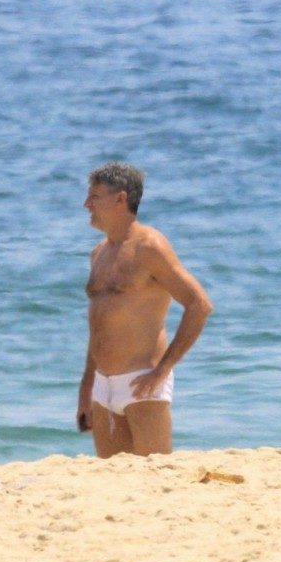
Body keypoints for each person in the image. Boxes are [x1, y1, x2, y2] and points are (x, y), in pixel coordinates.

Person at [76, 162, 213, 457]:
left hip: (142, 383)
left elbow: (199, 305)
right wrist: (87, 386)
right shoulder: (99, 253)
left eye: (95, 197)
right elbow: (99, 325)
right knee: (114, 475)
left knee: (154, 474)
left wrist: (162, 370)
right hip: (102, 386)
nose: (87, 204)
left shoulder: (149, 247)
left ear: (121, 199)